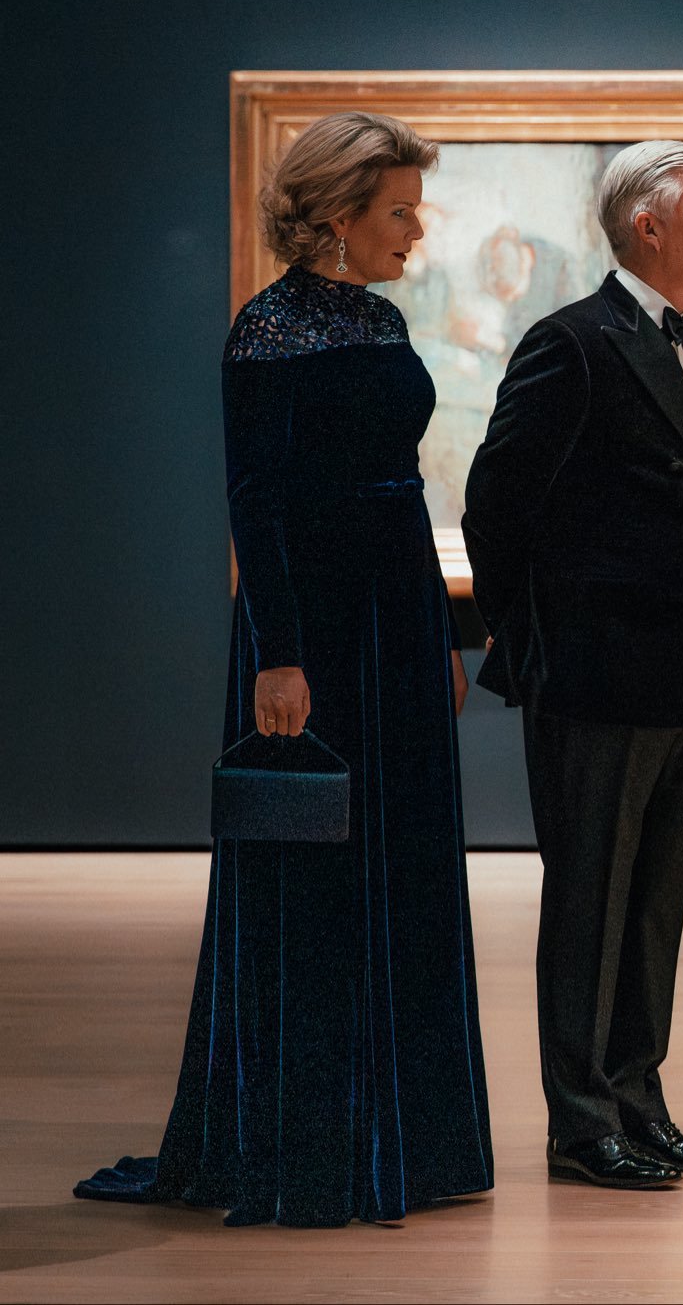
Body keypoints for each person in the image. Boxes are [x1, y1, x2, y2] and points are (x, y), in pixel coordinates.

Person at [74, 112, 492, 1226]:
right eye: (399, 210)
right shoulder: (265, 330)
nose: (416, 229)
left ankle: (406, 1139)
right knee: (311, 873)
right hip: (314, 630)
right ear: (338, 215)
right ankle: (308, 1145)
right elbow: (255, 505)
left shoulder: (378, 316)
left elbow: (404, 486)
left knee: (403, 858)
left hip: (397, 619)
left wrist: (439, 635)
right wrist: (280, 656)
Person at [463, 140, 683, 1189]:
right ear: (647, 226)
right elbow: (495, 505)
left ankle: (637, 1098)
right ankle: (581, 1124)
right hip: (593, 675)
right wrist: (531, 640)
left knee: (655, 904)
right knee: (588, 901)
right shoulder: (572, 342)